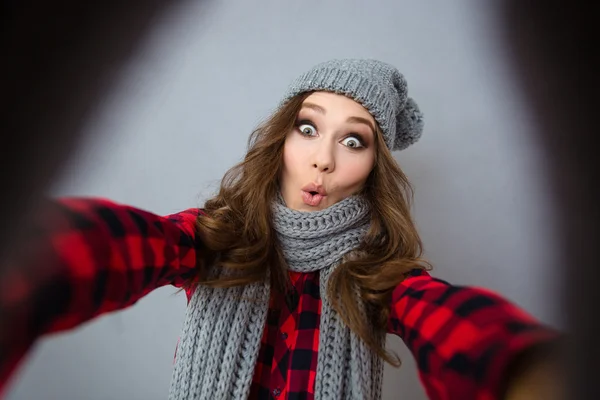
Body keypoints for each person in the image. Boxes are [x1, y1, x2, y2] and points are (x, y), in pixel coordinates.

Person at [0, 59, 560, 399]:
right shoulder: (218, 236)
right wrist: (32, 259)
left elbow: (444, 319)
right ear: (282, 138)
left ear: (374, 167)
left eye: (353, 140)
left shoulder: (375, 274)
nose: (322, 159)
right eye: (309, 127)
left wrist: (523, 369)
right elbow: (115, 247)